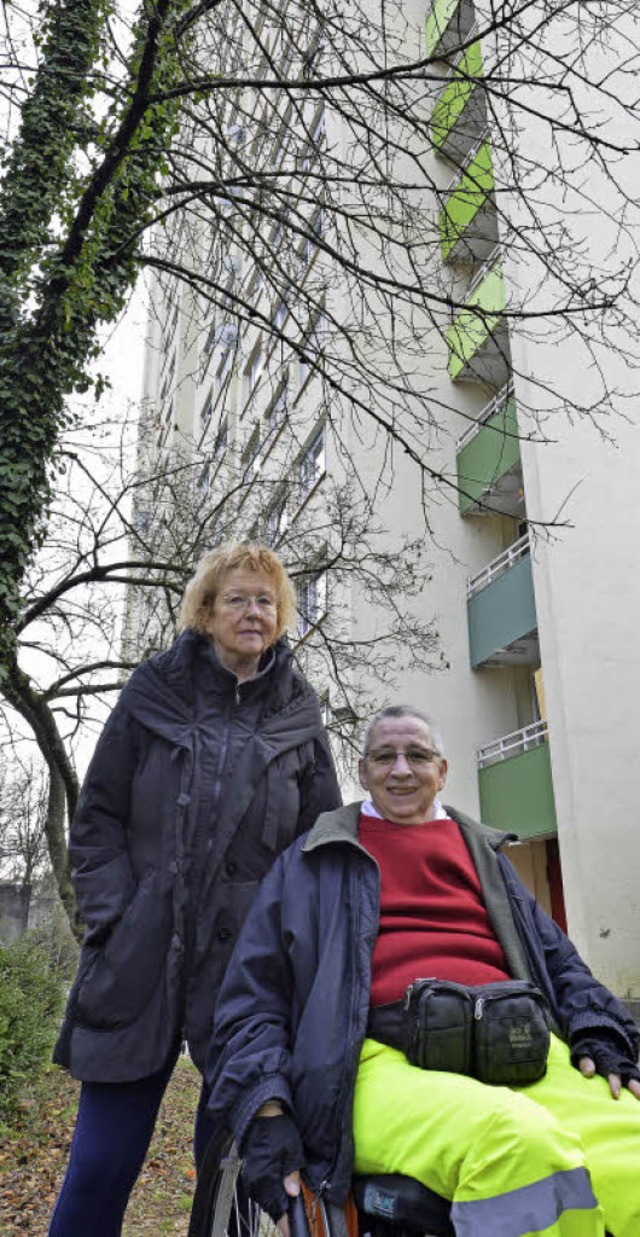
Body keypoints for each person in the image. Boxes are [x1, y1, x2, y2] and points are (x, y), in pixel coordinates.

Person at [205, 704, 640, 1237]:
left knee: (632, 1155)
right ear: (363, 773)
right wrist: (265, 1107)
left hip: (518, 1046)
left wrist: (600, 1028)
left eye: (417, 755)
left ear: (443, 770)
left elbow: (558, 960)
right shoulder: (313, 860)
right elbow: (253, 997)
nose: (402, 769)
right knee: (517, 1148)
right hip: (376, 1059)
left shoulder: (485, 854)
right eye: (384, 757)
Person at [48, 542, 341, 1237]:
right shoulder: (153, 692)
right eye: (237, 598)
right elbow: (98, 818)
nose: (253, 611)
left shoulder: (299, 713)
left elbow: (322, 844)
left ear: (281, 615)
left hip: (247, 975)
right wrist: (114, 916)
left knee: (231, 1179)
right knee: (98, 1167)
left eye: (266, 600)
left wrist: (293, 949)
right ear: (206, 612)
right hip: (139, 956)